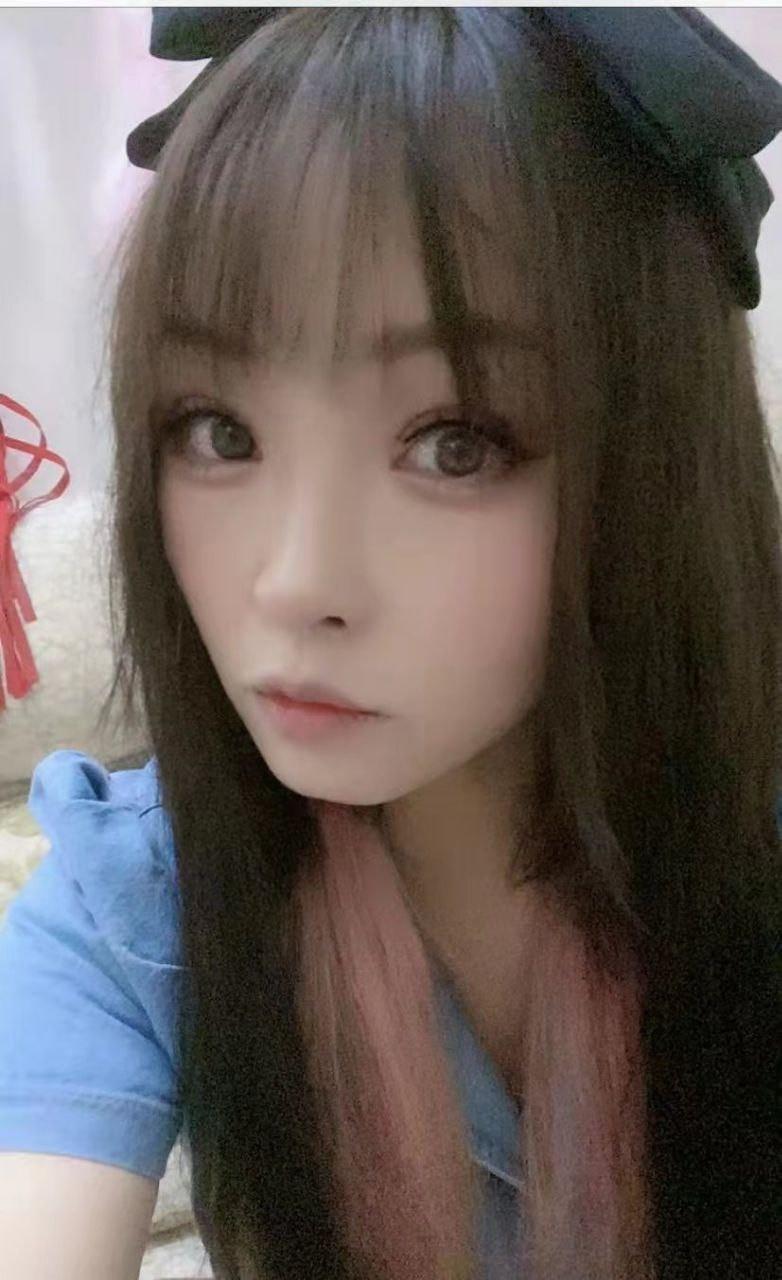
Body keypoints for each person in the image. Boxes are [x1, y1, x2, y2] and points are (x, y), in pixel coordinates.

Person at [1, 9, 781, 1280]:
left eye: (453, 442)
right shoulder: (135, 902)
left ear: (654, 468)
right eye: (215, 431)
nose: (293, 581)